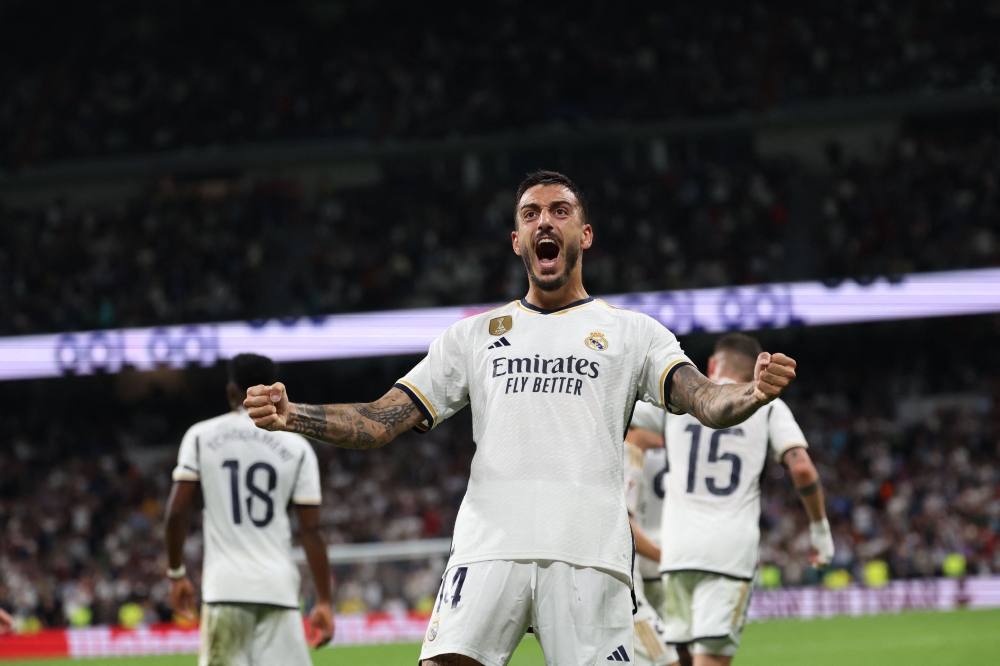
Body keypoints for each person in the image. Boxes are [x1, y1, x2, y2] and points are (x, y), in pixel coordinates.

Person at [244, 170, 797, 666]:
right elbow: (381, 419)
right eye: (530, 214)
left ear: (585, 235)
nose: (544, 222)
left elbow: (704, 399)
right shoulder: (473, 336)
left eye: (560, 211)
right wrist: (295, 415)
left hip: (589, 556)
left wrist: (750, 394)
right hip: (488, 549)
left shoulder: (634, 333)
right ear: (517, 241)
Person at [629, 332, 833, 666]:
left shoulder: (681, 404)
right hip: (728, 552)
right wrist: (820, 532)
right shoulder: (769, 406)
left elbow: (627, 423)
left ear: (712, 365)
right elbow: (801, 467)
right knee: (710, 659)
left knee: (678, 659)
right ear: (752, 369)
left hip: (678, 551)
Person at [165, 353, 334, 666]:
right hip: (277, 589)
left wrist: (177, 575)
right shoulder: (298, 446)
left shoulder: (200, 436)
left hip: (224, 589)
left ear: (232, 391)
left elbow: (176, 513)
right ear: (273, 391)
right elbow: (311, 529)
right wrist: (324, 600)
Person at [623, 428, 677, 666]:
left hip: (641, 574)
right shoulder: (628, 452)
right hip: (626, 582)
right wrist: (667, 557)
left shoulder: (639, 454)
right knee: (667, 660)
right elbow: (623, 525)